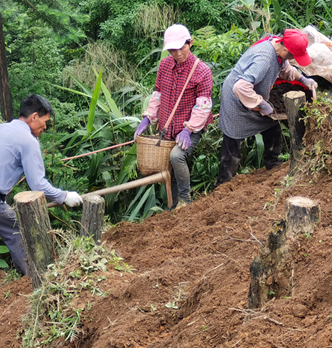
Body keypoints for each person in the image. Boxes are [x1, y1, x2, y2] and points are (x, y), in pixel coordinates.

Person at [0, 95, 82, 304]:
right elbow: (38, 185)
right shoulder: (28, 141)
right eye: (45, 122)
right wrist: (64, 196)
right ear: (33, 117)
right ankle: (41, 284)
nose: (45, 128)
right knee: (22, 230)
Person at [215, 29, 317, 187]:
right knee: (233, 142)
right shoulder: (264, 58)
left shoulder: (278, 47)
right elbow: (240, 87)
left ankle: (272, 164)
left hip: (252, 93)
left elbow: (285, 68)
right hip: (236, 99)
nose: (293, 59)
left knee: (272, 127)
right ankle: (223, 184)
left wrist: (304, 79)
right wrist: (261, 104)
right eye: (293, 55)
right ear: (285, 49)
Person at [134, 24, 213, 210]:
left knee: (177, 156)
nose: (177, 53)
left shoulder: (202, 71)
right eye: (172, 50)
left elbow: (203, 107)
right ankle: (174, 204)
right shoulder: (165, 65)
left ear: (190, 43)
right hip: (168, 125)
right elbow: (158, 94)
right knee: (168, 165)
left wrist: (188, 130)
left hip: (191, 126)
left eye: (181, 48)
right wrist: (148, 117)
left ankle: (185, 200)